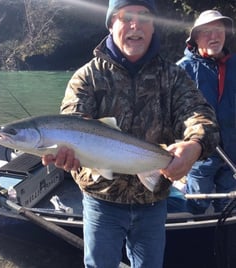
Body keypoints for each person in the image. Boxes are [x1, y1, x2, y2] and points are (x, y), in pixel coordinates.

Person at [42, 1, 219, 267]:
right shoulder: (87, 77)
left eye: (144, 17)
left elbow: (199, 114)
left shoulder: (173, 76)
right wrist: (66, 154)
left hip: (153, 201)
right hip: (101, 202)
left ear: (153, 27)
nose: (135, 25)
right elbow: (72, 123)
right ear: (111, 24)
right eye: (126, 17)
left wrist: (194, 145)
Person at [177, 10, 236, 214]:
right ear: (196, 38)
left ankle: (225, 241)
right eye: (207, 31)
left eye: (218, 30)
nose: (214, 36)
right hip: (201, 155)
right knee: (196, 203)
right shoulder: (182, 70)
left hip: (232, 154)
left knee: (229, 208)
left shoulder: (234, 65)